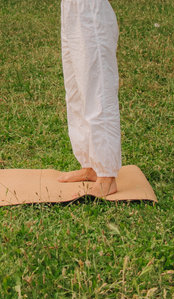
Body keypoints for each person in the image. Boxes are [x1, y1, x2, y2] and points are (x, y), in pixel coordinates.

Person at [57, 0, 121, 197]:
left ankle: (107, 175)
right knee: (75, 91)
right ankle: (90, 166)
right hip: (70, 8)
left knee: (97, 91)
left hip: (91, 10)